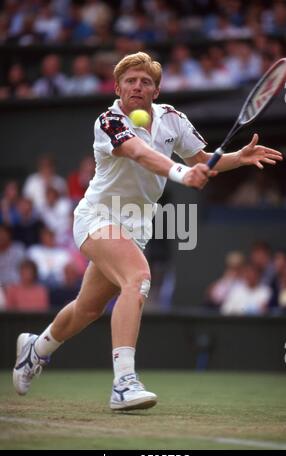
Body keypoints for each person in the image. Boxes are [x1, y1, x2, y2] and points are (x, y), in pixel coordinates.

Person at [13, 52, 282, 411]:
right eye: (130, 81)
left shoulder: (173, 120)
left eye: (145, 82)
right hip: (97, 218)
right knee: (138, 278)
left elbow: (202, 161)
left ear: (156, 90)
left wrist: (237, 158)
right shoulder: (108, 120)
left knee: (87, 308)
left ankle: (37, 348)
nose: (137, 86)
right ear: (118, 87)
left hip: (135, 227)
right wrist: (182, 175)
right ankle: (123, 382)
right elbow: (139, 153)